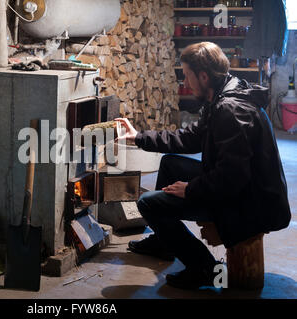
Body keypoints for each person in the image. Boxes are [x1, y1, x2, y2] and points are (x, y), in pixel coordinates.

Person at [115, 42, 291, 290]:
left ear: (203, 76)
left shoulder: (229, 110)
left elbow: (231, 178)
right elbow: (190, 138)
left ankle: (204, 269)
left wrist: (191, 189)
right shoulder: (224, 93)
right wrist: (140, 137)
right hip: (248, 188)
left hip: (253, 203)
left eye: (187, 75)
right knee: (170, 163)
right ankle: (165, 242)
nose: (185, 82)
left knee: (148, 204)